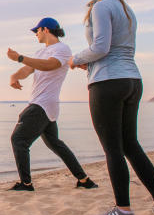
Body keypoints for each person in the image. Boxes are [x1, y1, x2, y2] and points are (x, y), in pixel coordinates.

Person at [70, 0, 154, 215]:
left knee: (113, 149)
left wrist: (76, 59)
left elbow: (101, 47)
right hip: (132, 80)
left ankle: (124, 210)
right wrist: (90, 59)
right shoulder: (126, 9)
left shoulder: (102, 6)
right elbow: (118, 48)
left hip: (108, 82)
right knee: (131, 145)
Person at [5, 17, 99, 192]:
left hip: (42, 104)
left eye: (37, 31)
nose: (36, 34)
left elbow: (50, 65)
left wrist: (19, 57)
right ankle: (85, 180)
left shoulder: (62, 49)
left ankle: (26, 184)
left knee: (18, 140)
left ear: (45, 29)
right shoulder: (41, 52)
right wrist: (14, 76)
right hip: (45, 105)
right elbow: (28, 69)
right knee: (55, 143)